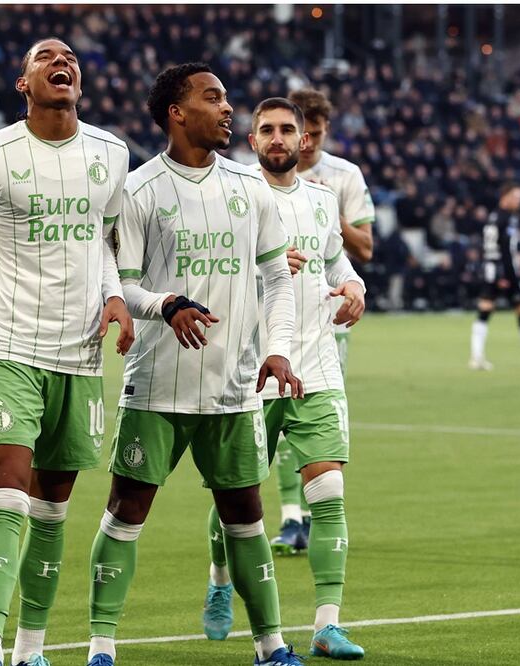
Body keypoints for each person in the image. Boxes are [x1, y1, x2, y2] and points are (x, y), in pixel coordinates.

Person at [0, 38, 134, 666]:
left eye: (67, 58)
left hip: (80, 353)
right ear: (23, 83)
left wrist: (118, 295)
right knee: (7, 491)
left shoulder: (111, 153)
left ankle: (30, 650)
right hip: (9, 342)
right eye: (44, 58)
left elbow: (107, 243)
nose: (59, 63)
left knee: (51, 507)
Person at [85, 63, 303, 666]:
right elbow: (120, 286)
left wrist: (278, 348)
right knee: (126, 511)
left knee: (246, 517)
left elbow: (277, 281)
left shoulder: (250, 188)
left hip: (233, 388)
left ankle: (271, 645)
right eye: (214, 98)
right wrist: (167, 305)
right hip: (157, 384)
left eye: (228, 98)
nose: (229, 108)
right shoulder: (138, 190)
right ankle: (101, 646)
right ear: (177, 113)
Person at [203, 97, 366, 660]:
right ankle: (221, 580)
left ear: (303, 140)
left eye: (287, 130)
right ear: (251, 140)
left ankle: (326, 625)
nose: (278, 138)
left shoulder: (322, 200)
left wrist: (355, 287)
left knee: (329, 493)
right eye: (267, 130)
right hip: (248, 371)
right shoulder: (232, 196)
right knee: (239, 499)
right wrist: (265, 265)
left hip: (315, 365)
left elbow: (337, 262)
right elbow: (209, 270)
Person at [282, 88, 376, 550]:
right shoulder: (257, 173)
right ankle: (288, 516)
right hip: (272, 315)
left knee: (312, 415)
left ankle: (310, 510)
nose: (308, 145)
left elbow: (365, 249)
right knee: (273, 410)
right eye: (305, 135)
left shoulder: (344, 175)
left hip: (328, 315)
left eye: (316, 136)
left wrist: (326, 212)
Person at [468, 183, 520, 370]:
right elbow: (503, 250)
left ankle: (477, 357)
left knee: (494, 310)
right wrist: (505, 274)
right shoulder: (504, 219)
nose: (518, 201)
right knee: (513, 310)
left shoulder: (499, 217)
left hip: (496, 269)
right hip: (504, 271)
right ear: (504, 196)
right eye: (515, 197)